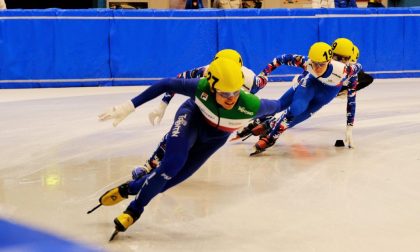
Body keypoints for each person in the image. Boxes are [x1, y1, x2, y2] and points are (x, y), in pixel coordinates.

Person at [89, 53, 285, 240]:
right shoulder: (203, 82)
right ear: (212, 83)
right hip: (193, 117)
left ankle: (130, 188)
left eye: (234, 92)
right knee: (172, 164)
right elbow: (168, 83)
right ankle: (134, 210)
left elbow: (278, 103)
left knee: (172, 180)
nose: (231, 99)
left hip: (215, 137)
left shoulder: (250, 99)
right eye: (225, 93)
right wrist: (129, 106)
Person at [134, 49, 267, 179]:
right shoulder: (208, 71)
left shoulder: (250, 80)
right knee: (176, 134)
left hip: (223, 115)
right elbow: (176, 82)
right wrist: (163, 104)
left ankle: (159, 165)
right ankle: (150, 165)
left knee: (188, 140)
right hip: (202, 107)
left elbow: (262, 85)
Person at [249, 41, 362, 155]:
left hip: (324, 96)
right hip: (311, 86)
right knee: (296, 108)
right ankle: (270, 137)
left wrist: (349, 127)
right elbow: (280, 59)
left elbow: (352, 98)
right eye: (336, 56)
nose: (317, 68)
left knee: (296, 119)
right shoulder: (308, 61)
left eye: (344, 59)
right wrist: (263, 75)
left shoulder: (345, 70)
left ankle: (269, 124)